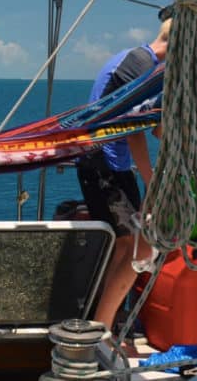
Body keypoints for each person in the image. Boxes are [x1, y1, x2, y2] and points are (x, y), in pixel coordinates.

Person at [76, 19, 171, 336]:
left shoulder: (135, 61)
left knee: (126, 247)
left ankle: (104, 323)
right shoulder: (142, 65)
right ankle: (102, 330)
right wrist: (151, 179)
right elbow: (133, 131)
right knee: (139, 250)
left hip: (112, 165)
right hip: (102, 164)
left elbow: (153, 127)